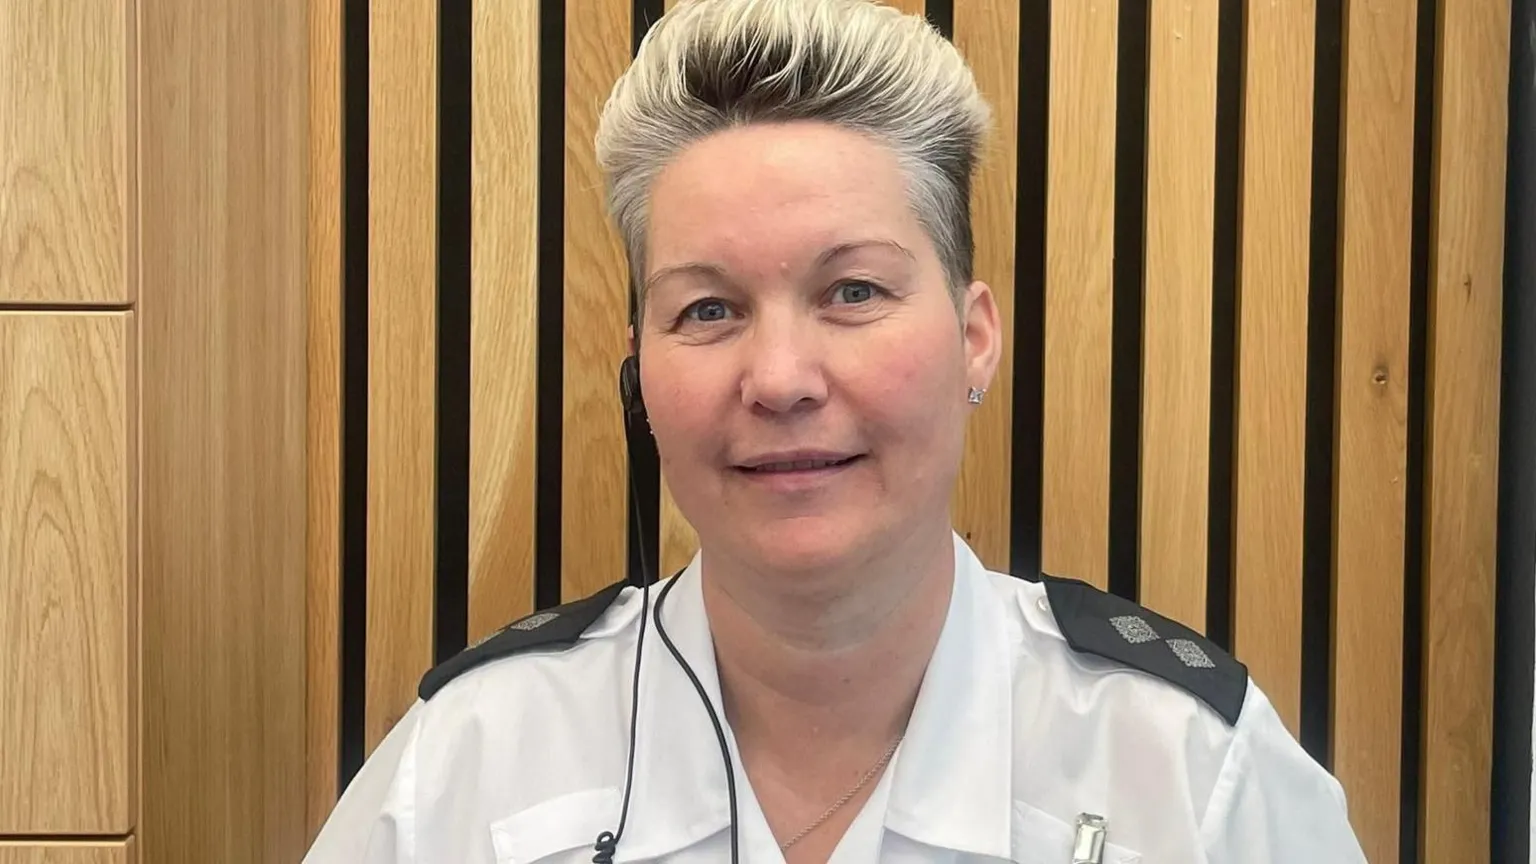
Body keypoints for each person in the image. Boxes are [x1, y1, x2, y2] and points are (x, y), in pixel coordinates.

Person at [304, 0, 1368, 861]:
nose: (779, 378)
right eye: (707, 310)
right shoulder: (470, 770)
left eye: (852, 290)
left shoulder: (1183, 772)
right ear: (640, 373)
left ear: (974, 339)